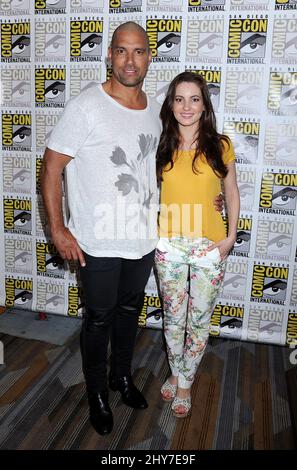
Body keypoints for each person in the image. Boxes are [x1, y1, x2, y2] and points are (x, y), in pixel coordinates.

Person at [41, 23, 223, 436]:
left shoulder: (155, 112)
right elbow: (51, 166)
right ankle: (96, 394)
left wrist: (214, 198)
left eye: (138, 52)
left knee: (128, 314)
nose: (129, 60)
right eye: (121, 51)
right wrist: (58, 229)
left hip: (143, 238)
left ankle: (121, 379)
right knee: (99, 319)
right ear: (109, 55)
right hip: (98, 239)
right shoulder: (86, 105)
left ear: (148, 58)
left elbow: (177, 169)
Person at [155, 71, 240, 418]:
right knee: (173, 319)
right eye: (179, 99)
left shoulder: (220, 145)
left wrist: (231, 236)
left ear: (204, 105)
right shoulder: (160, 143)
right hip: (170, 246)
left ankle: (186, 383)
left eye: (194, 99)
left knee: (199, 320)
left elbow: (231, 192)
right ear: (171, 104)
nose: (186, 106)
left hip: (209, 246)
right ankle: (176, 373)